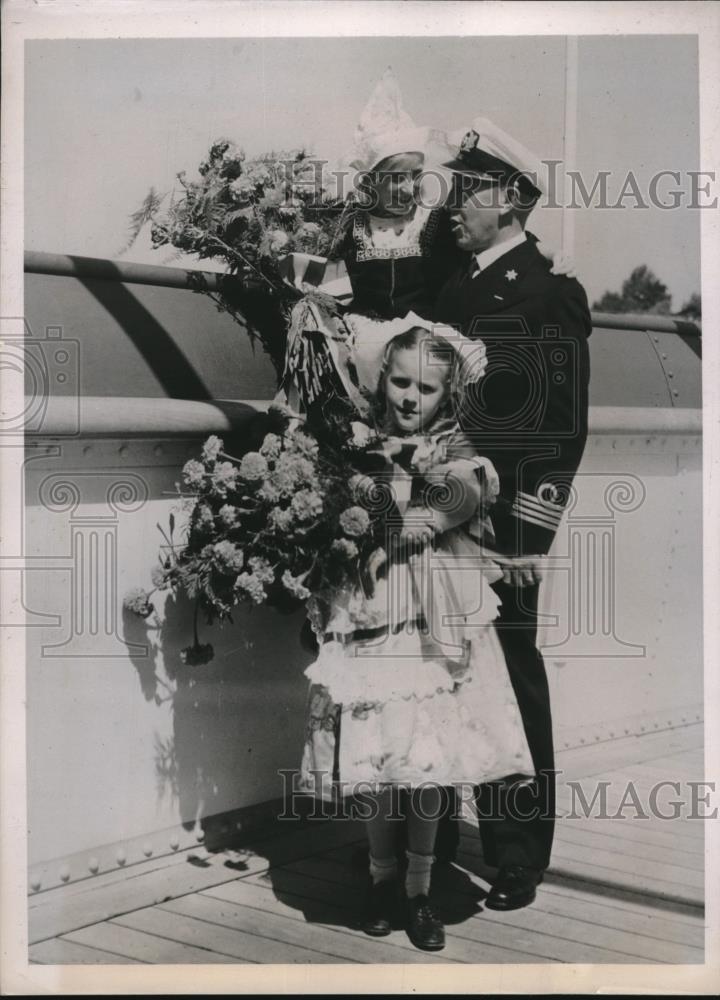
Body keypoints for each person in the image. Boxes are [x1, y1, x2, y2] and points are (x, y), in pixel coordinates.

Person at [298, 313, 535, 950]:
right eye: (400, 383)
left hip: (436, 613)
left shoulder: (454, 446)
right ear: (382, 383)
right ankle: (380, 877)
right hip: (375, 607)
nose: (410, 398)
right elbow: (338, 505)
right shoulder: (355, 440)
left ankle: (419, 889)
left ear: (446, 395)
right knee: (380, 752)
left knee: (428, 755)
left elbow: (472, 487)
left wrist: (417, 521)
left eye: (426, 389)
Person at [433, 120, 592, 910]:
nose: (453, 205)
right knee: (449, 672)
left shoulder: (547, 291)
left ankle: (519, 850)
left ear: (513, 198)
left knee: (513, 674)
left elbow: (563, 430)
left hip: (506, 530)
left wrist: (529, 536)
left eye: (468, 191)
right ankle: (436, 838)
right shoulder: (455, 288)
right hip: (440, 518)